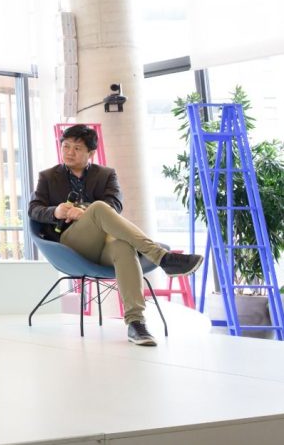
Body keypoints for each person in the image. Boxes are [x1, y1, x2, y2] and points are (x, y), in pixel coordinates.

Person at [27, 124, 203, 346]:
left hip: (104, 245)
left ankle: (136, 323)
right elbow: (34, 209)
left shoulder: (106, 174)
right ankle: (163, 258)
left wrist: (84, 211)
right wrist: (56, 211)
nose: (69, 152)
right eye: (66, 146)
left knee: (123, 246)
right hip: (70, 245)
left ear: (91, 153)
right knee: (99, 208)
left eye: (77, 148)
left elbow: (115, 205)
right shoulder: (48, 177)